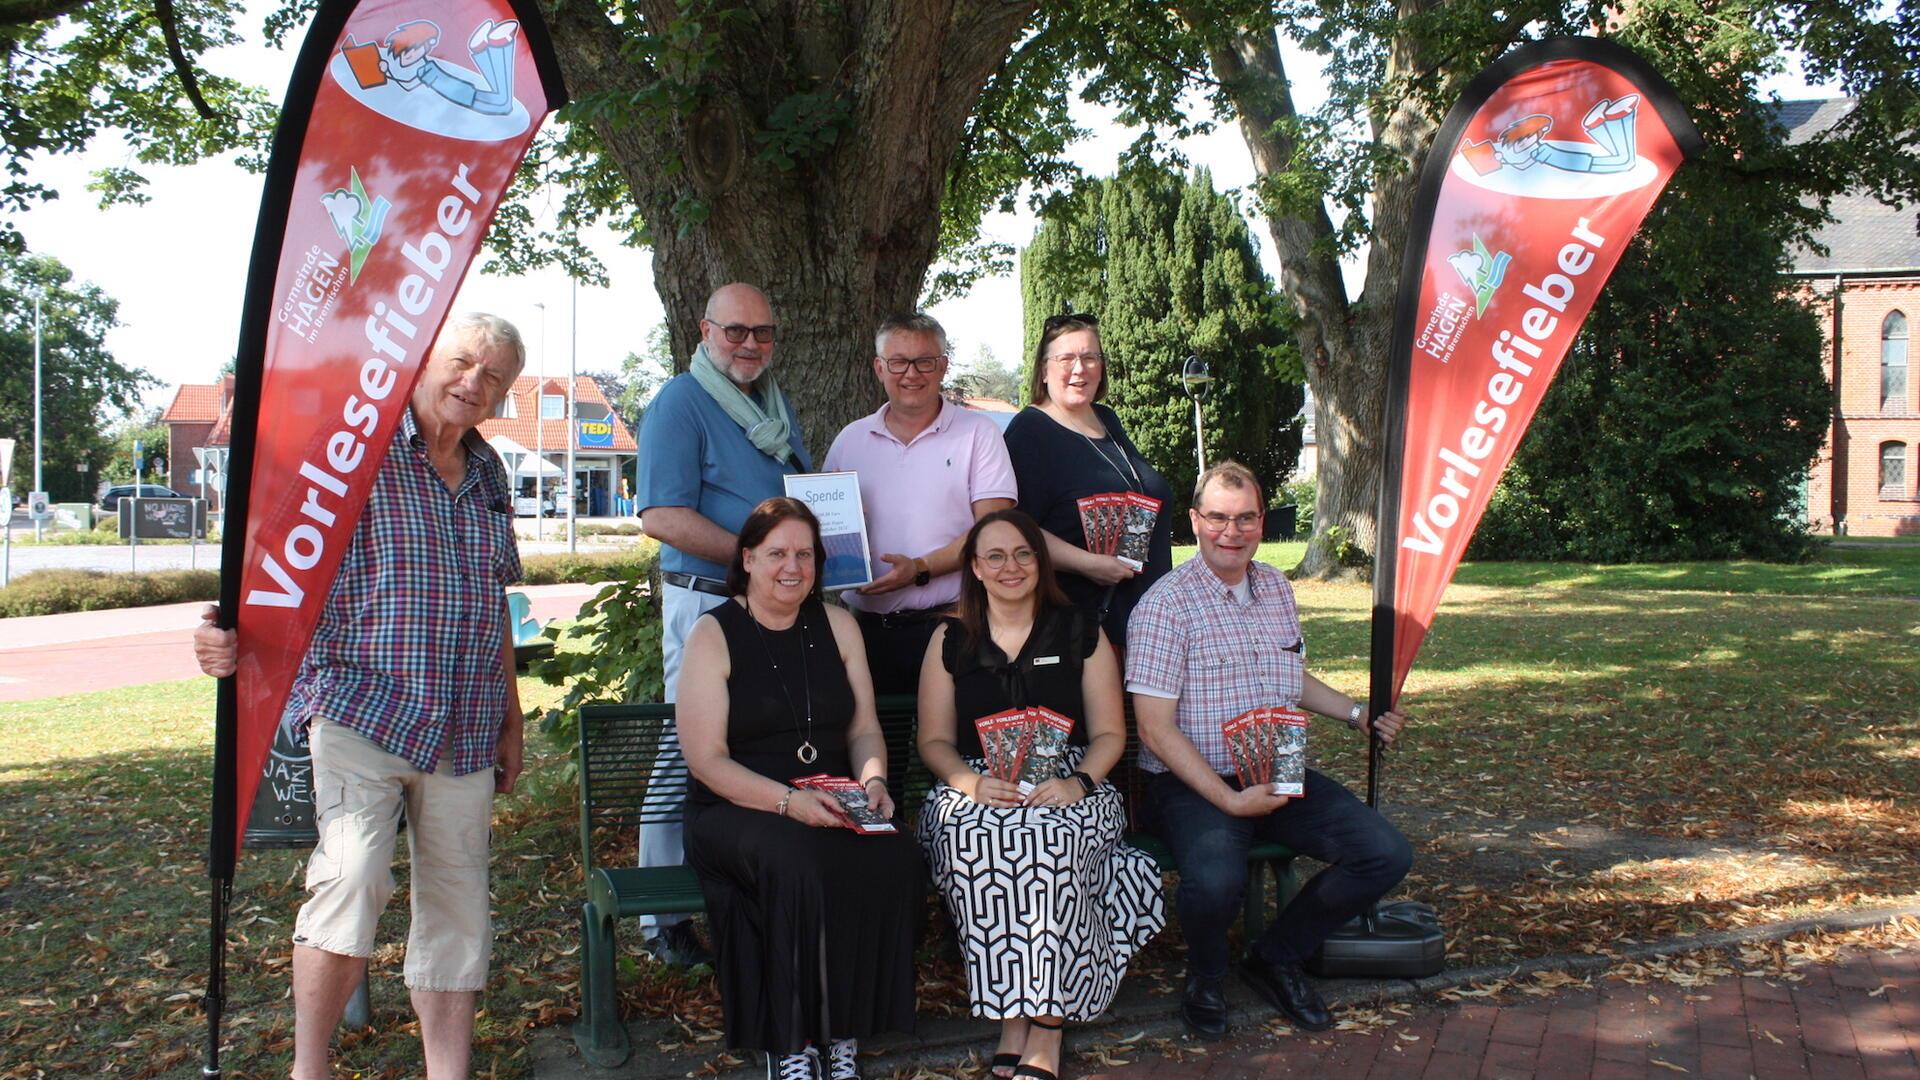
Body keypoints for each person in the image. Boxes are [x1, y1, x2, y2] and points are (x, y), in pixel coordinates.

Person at [192, 314, 529, 1080]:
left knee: (458, 910)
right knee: (351, 880)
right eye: (463, 363)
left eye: (494, 377)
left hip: (466, 728)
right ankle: (309, 1071)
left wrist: (511, 716)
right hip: (362, 710)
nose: (474, 384)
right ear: (422, 363)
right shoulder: (351, 456)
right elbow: (270, 569)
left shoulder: (490, 475)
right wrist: (222, 633)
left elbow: (494, 600)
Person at [1127, 461, 1414, 1040]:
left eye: (1245, 518)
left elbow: (1292, 677)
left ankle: (1276, 955)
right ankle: (1206, 976)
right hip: (1192, 780)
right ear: (1195, 521)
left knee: (1383, 853)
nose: (1231, 532)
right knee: (1213, 882)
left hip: (1275, 764)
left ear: (1261, 522)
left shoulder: (1277, 588)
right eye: (1218, 518)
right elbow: (1155, 730)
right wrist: (1229, 803)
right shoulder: (1164, 606)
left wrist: (1357, 714)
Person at [677, 497, 922, 1080]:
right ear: (748, 559)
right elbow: (705, 760)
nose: (793, 567)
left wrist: (875, 781)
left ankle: (842, 1028)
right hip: (735, 804)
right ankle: (788, 1038)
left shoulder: (838, 624)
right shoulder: (715, 632)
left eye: (805, 554)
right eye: (777, 553)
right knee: (798, 861)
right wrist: (789, 803)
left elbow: (862, 727)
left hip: (831, 796)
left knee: (895, 855)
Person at [915, 509, 1165, 1080]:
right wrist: (970, 783)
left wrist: (1077, 784)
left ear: (1041, 561)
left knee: (1047, 846)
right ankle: (1012, 1017)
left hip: (1072, 776)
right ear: (975, 568)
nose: (1011, 566)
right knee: (978, 842)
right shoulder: (948, 639)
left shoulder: (1081, 630)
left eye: (1024, 554)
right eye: (995, 556)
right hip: (975, 780)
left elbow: (1109, 734)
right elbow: (932, 740)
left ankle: (1045, 1025)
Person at [636, 282, 810, 965]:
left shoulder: (772, 404)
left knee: (754, 746)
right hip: (707, 600)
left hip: (764, 603)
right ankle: (662, 917)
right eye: (735, 331)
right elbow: (662, 518)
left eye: (762, 333)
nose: (749, 344)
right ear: (705, 331)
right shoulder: (680, 403)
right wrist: (758, 557)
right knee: (684, 755)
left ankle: (737, 890)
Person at [822, 312, 1017, 697]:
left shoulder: (979, 433)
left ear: (943, 366)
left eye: (924, 361)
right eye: (898, 362)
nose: (911, 373)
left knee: (954, 747)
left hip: (954, 623)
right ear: (879, 368)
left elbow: (994, 532)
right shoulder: (850, 440)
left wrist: (921, 569)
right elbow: (826, 528)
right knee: (877, 745)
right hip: (865, 631)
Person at [1002, 312, 1173, 650]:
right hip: (1082, 627)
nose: (1080, 368)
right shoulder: (1030, 432)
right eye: (1066, 358)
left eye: (1090, 357)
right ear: (1043, 369)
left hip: (1144, 618)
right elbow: (1014, 529)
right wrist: (1089, 564)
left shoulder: (1106, 419)